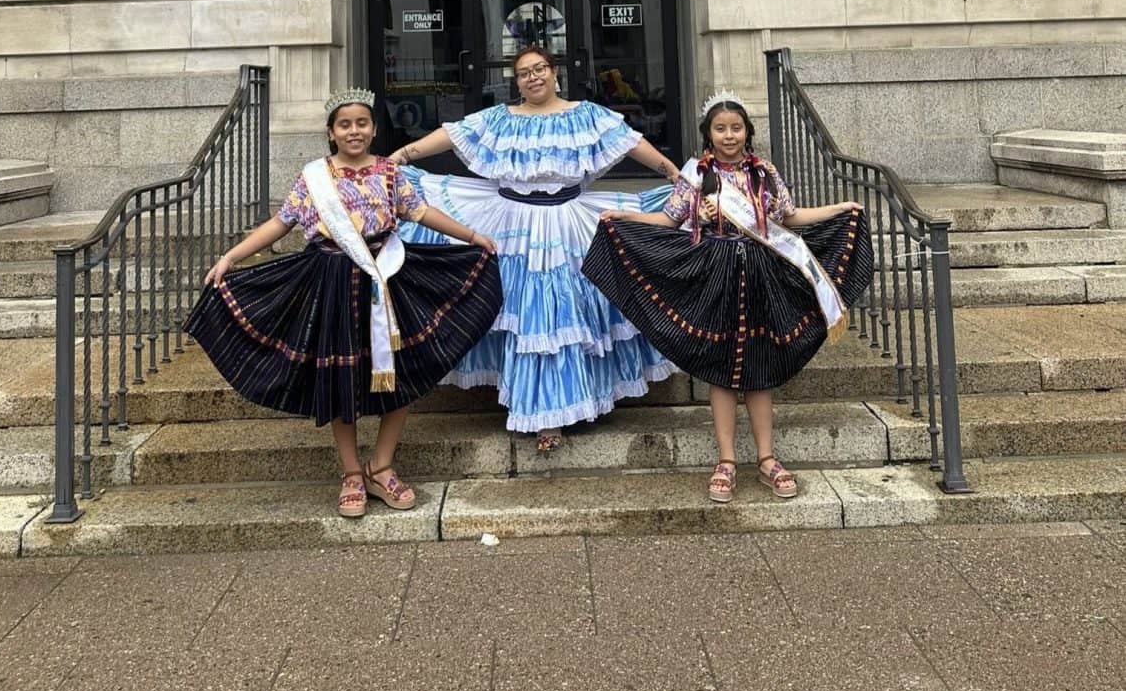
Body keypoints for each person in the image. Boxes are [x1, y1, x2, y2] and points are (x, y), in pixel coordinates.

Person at [184, 89, 502, 517]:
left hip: (388, 279)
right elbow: (280, 223)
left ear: (374, 129)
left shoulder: (389, 172)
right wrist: (231, 257)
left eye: (362, 123)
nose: (355, 131)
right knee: (341, 376)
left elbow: (421, 213)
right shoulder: (314, 177)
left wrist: (472, 236)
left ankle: (381, 466)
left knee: (403, 371)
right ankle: (352, 472)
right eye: (345, 124)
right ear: (331, 132)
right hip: (332, 282)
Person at [583, 92, 874, 500]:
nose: (729, 135)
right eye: (720, 129)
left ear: (747, 132)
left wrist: (838, 209)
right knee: (721, 368)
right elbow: (667, 219)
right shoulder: (696, 177)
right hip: (716, 276)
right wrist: (626, 217)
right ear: (709, 134)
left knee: (759, 363)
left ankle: (767, 459)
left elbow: (791, 217)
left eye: (736, 128)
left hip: (762, 276)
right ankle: (726, 461)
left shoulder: (764, 173)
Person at [389, 45, 680, 451]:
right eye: (524, 72)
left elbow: (630, 142)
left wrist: (672, 172)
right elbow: (453, 134)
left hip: (568, 220)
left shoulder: (585, 115)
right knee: (525, 312)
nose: (533, 77)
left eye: (540, 68)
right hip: (511, 223)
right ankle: (540, 411)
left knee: (566, 311)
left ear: (555, 72)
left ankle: (558, 410)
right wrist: (401, 155)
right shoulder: (500, 118)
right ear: (517, 81)